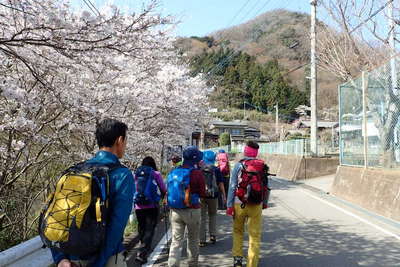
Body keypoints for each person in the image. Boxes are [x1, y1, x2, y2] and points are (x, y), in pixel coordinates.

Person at [52, 118, 134, 267]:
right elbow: (117, 225)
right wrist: (99, 262)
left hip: (72, 258)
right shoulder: (123, 175)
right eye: (125, 140)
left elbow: (58, 216)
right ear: (120, 140)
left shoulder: (76, 171)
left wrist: (60, 258)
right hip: (108, 258)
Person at [226, 141, 269, 267]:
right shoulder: (262, 166)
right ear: (256, 153)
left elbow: (232, 186)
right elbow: (266, 187)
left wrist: (229, 206)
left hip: (239, 203)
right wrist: (264, 203)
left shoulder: (239, 166)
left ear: (245, 151)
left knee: (238, 231)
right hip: (256, 204)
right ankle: (252, 263)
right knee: (254, 235)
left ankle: (237, 259)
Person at [167, 146, 205, 267]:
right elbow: (202, 193)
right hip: (192, 210)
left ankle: (172, 265)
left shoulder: (174, 171)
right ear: (195, 159)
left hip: (175, 210)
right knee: (193, 240)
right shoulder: (197, 173)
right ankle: (192, 264)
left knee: (176, 241)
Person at [134, 156, 167, 264]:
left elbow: (134, 188)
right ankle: (142, 252)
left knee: (142, 227)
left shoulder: (136, 173)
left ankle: (143, 246)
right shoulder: (155, 174)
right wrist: (162, 197)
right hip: (151, 205)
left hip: (138, 205)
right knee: (150, 229)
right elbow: (163, 188)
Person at [199, 150, 226, 247]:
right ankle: (213, 236)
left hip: (201, 196)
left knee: (202, 217)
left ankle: (201, 240)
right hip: (213, 195)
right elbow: (221, 184)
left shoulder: (200, 169)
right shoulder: (216, 170)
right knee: (213, 215)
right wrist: (224, 196)